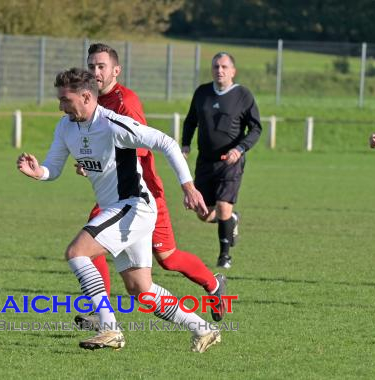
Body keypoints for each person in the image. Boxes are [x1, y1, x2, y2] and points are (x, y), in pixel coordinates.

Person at [17, 68, 221, 353]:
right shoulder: (65, 127)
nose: (60, 105)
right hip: (121, 210)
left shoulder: (113, 124)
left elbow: (166, 143)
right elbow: (53, 168)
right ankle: (203, 328)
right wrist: (38, 172)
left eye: (65, 99)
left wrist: (188, 187)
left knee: (77, 253)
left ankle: (109, 328)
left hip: (134, 206)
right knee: (141, 289)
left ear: (87, 97)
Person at [74, 43, 227, 329]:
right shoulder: (90, 100)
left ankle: (213, 284)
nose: (95, 71)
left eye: (101, 66)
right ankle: (102, 313)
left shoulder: (125, 102)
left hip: (142, 191)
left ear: (115, 70)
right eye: (91, 65)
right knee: (94, 239)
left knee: (167, 258)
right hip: (118, 192)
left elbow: (141, 147)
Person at [181, 52, 262, 269]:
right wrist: (185, 144)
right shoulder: (202, 93)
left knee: (223, 206)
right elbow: (190, 121)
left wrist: (240, 148)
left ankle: (224, 256)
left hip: (230, 161)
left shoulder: (243, 95)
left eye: (224, 67)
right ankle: (230, 221)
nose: (220, 70)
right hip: (205, 162)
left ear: (233, 71)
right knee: (204, 214)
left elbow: (256, 129)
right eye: (216, 66)